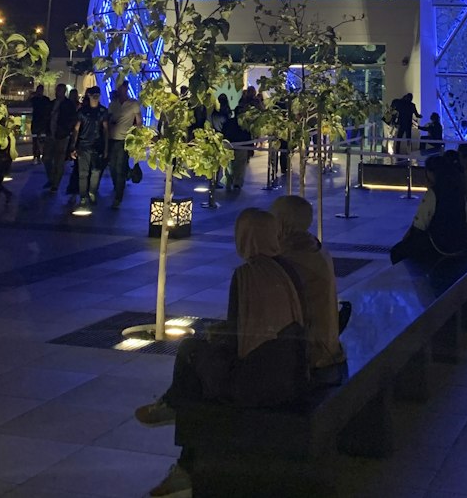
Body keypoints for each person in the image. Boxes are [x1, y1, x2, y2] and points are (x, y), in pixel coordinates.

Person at [136, 209, 308, 497]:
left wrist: (214, 340)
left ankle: (174, 413)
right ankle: (180, 445)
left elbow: (238, 339)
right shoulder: (287, 268)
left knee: (192, 353)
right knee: (199, 371)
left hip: (254, 383)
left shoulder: (248, 274)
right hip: (291, 375)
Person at [271, 194, 346, 384]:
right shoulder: (314, 248)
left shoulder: (293, 259)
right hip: (325, 345)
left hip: (312, 353)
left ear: (282, 224)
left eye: (272, 219)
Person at [390, 153, 467, 264]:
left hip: (438, 245)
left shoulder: (433, 193)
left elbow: (419, 225)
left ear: (431, 172)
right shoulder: (458, 190)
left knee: (397, 252)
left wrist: (406, 239)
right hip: (459, 244)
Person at [70, 86, 108, 206]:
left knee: (95, 171)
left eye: (97, 94)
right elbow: (76, 129)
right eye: (94, 95)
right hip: (84, 145)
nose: (96, 97)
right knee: (83, 172)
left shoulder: (103, 111)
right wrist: (73, 146)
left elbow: (106, 130)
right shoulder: (82, 111)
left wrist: (106, 147)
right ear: (89, 96)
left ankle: (91, 192)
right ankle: (83, 196)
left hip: (97, 145)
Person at [107, 80, 141, 207]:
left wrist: (137, 137)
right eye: (119, 87)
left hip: (124, 140)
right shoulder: (113, 104)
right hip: (112, 139)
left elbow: (138, 122)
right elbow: (108, 120)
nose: (120, 90)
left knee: (120, 167)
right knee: (112, 167)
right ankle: (117, 186)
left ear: (126, 88)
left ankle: (118, 196)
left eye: (122, 87)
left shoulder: (133, 104)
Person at [45, 84, 78, 191]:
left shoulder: (68, 105)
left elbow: (73, 119)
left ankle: (55, 183)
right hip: (51, 134)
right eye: (57, 90)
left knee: (59, 160)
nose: (57, 92)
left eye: (59, 90)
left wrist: (67, 130)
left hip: (62, 135)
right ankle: (52, 179)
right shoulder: (52, 103)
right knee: (47, 158)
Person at [29, 83, 52, 163]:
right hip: (39, 122)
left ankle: (38, 155)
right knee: (36, 140)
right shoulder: (44, 99)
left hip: (40, 122)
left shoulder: (36, 100)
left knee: (39, 140)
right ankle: (37, 155)